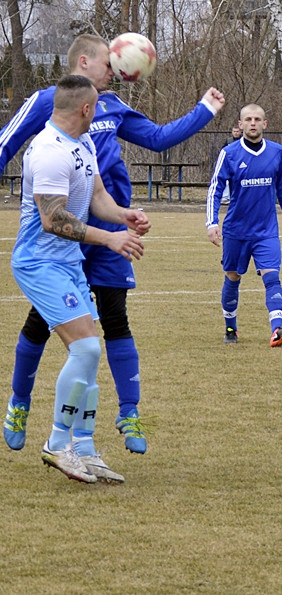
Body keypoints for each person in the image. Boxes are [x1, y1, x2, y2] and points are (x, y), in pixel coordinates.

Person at [0, 34, 225, 455]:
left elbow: (157, 138)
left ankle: (126, 413)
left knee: (114, 319)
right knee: (43, 323)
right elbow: (5, 144)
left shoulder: (110, 108)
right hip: (60, 235)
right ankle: (20, 403)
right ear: (84, 62)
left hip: (107, 227)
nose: (117, 70)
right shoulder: (52, 102)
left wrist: (204, 110)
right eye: (110, 62)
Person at [12, 74, 150, 482]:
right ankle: (57, 444)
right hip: (39, 263)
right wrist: (109, 238)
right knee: (87, 348)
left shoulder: (83, 142)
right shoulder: (49, 151)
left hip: (68, 262)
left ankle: (85, 448)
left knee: (89, 356)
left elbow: (97, 197)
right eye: (97, 107)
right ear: (86, 109)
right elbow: (53, 219)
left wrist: (124, 216)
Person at [206, 104, 282, 347]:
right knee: (232, 277)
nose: (253, 123)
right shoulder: (229, 153)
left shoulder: (276, 151)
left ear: (265, 124)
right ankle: (230, 328)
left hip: (266, 231)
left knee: (272, 276)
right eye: (248, 119)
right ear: (241, 124)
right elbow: (215, 189)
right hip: (236, 231)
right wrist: (212, 222)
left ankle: (277, 330)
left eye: (257, 119)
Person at [219, 126, 242, 205]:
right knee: (226, 180)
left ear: (240, 132)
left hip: (240, 164)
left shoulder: (243, 141)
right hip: (230, 163)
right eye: (234, 131)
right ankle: (225, 198)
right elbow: (223, 151)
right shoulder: (228, 141)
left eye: (237, 131)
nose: (235, 133)